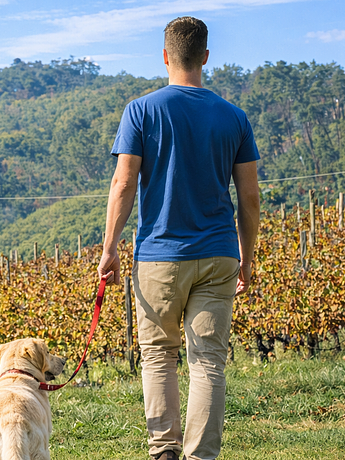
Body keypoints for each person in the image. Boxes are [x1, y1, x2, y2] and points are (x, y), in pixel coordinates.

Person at [97, 16, 261, 460]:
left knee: (158, 356)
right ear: (205, 56)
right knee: (208, 361)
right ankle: (201, 455)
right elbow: (249, 197)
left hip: (160, 255)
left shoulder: (141, 110)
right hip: (220, 254)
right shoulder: (235, 117)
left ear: (166, 56)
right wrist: (246, 258)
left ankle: (165, 451)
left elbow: (124, 183)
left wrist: (110, 248)